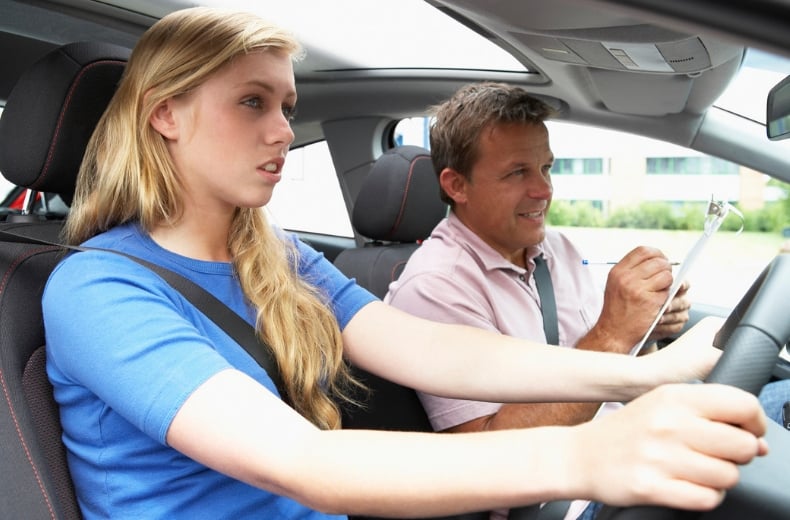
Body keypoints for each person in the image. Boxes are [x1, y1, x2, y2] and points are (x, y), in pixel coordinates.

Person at [41, 8, 768, 520]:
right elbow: (304, 464)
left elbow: (425, 350)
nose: (282, 131)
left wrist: (647, 372)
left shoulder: (273, 253)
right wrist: (590, 454)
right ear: (165, 114)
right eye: (252, 102)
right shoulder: (99, 289)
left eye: (287, 106)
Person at [383, 81, 788, 519]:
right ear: (457, 185)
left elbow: (621, 374)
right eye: (517, 172)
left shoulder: (557, 249)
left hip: (634, 437)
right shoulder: (434, 287)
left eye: (546, 168)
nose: (544, 190)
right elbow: (486, 454)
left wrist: (649, 327)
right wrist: (613, 334)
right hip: (572, 498)